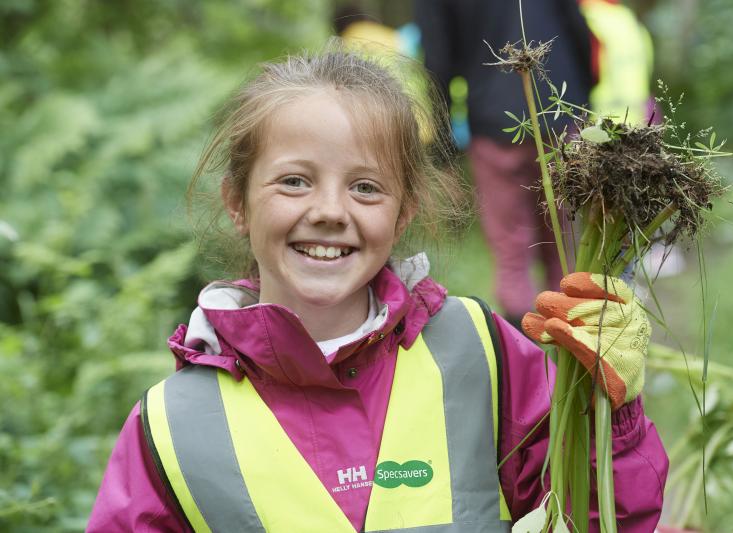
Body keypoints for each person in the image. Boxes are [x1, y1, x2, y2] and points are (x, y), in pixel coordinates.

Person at [87, 44, 667, 532]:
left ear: (404, 210)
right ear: (237, 202)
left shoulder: (477, 352)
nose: (330, 211)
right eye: (294, 181)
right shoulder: (170, 426)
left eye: (365, 188)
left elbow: (598, 517)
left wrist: (605, 413)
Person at [415, 0, 595, 327]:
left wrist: (442, 145)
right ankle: (570, 342)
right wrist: (585, 100)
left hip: (493, 122)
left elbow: (438, 58)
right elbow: (578, 27)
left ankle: (525, 346)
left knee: (511, 246)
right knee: (564, 240)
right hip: (561, 111)